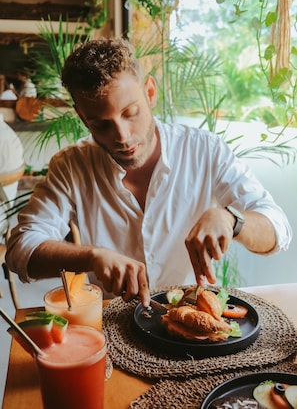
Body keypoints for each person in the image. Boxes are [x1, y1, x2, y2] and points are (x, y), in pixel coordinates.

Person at [5, 38, 292, 308]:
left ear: (150, 93)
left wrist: (231, 220)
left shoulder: (206, 151)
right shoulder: (71, 165)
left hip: (192, 320)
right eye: (101, 125)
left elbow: (278, 229)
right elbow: (21, 250)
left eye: (130, 113)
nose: (123, 136)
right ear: (82, 117)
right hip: (114, 325)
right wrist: (92, 257)